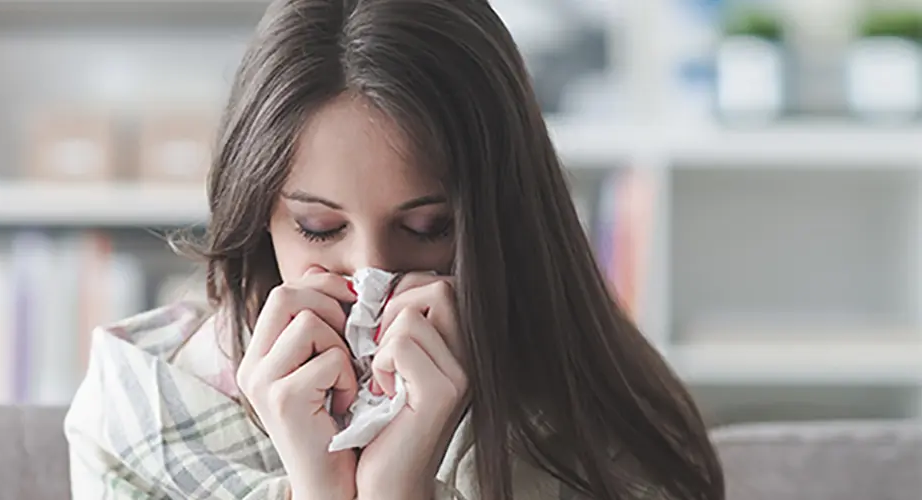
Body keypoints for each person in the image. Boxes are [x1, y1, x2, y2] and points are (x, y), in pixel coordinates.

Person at [64, 0, 725, 499]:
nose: (370, 275)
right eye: (319, 228)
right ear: (256, 213)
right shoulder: (140, 407)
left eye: (429, 227)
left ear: (503, 218)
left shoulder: (598, 427)